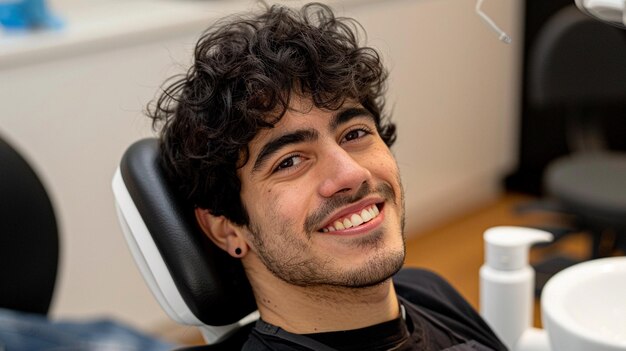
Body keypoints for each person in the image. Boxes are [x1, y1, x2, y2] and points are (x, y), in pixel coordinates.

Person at [148, 2, 507, 350]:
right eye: (289, 161)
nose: (351, 173)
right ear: (228, 229)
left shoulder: (426, 290)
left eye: (354, 134)